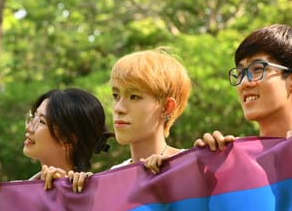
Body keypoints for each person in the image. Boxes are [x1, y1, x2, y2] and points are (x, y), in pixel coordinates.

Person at [47, 48, 192, 192]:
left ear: (166, 107)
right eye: (116, 95)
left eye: (134, 96)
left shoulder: (193, 166)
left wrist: (212, 156)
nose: (118, 108)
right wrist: (79, 193)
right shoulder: (112, 178)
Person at [194, 24, 292, 148]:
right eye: (240, 73)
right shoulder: (232, 159)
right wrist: (203, 162)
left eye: (258, 69)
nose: (244, 83)